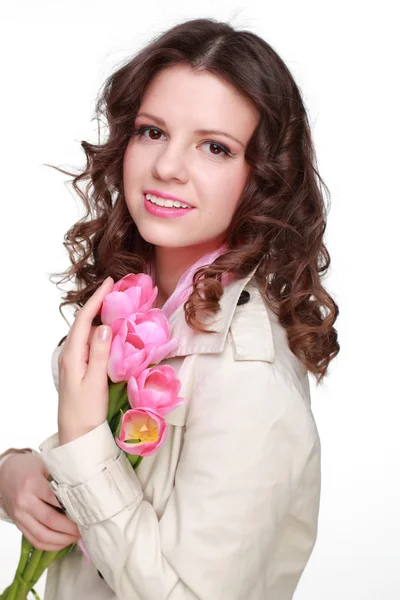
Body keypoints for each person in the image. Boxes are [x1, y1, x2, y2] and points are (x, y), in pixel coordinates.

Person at [0, 17, 339, 600]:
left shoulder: (248, 378)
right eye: (152, 132)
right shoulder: (144, 307)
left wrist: (81, 441)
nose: (167, 167)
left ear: (263, 179)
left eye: (215, 147)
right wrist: (12, 474)